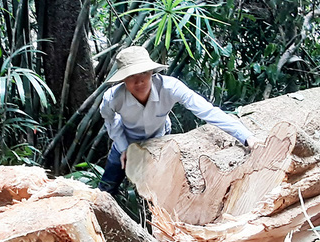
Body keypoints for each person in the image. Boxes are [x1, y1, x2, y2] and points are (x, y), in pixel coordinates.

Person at [97, 46, 253, 194]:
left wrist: (246, 136)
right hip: (127, 138)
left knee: (160, 189)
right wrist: (124, 147)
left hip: (158, 139)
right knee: (107, 186)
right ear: (123, 79)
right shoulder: (112, 98)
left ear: (152, 72)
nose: (139, 81)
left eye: (143, 73)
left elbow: (207, 111)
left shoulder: (170, 87)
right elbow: (110, 119)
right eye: (131, 76)